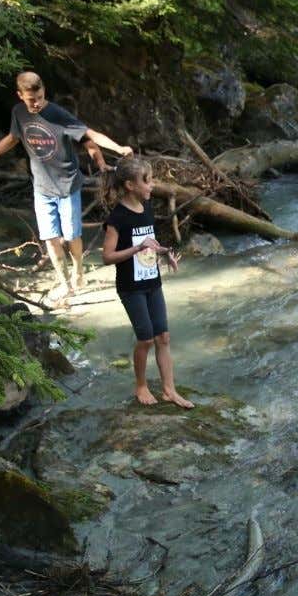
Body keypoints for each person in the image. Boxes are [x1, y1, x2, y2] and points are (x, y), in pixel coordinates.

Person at [0, 71, 133, 296]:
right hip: (42, 188)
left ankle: (78, 271)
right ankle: (65, 284)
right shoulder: (18, 113)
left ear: (44, 91)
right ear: (20, 96)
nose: (36, 104)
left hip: (67, 186)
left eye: (40, 97)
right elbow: (12, 138)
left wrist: (117, 149)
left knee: (72, 235)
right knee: (50, 238)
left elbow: (90, 136)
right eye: (31, 100)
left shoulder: (58, 114)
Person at [99, 156, 193, 409]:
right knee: (146, 339)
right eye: (147, 181)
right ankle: (140, 385)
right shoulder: (118, 218)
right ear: (130, 185)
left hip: (153, 281)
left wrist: (165, 254)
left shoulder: (147, 208)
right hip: (131, 287)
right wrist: (136, 247)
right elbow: (107, 257)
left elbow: (149, 244)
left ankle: (169, 390)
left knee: (163, 336)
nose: (152, 185)